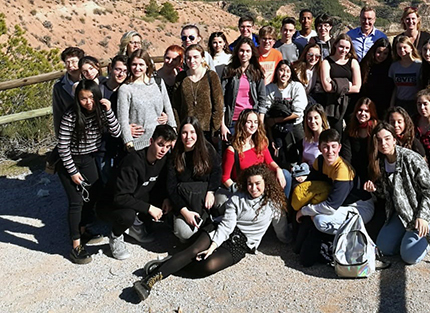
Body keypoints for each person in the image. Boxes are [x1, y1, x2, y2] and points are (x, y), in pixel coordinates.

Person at [132, 165, 290, 301]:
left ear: (266, 183)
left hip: (240, 244)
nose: (253, 188)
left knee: (208, 266)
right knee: (193, 251)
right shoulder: (236, 199)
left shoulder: (273, 205)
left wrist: (289, 241)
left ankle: (167, 264)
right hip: (219, 229)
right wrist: (212, 246)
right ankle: (147, 282)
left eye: (257, 184)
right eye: (249, 184)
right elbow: (226, 226)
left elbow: (281, 230)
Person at [57, 80, 121, 264]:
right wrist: (72, 171)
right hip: (70, 162)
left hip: (88, 159)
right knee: (76, 201)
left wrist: (108, 111)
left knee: (94, 194)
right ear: (77, 99)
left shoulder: (100, 112)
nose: (88, 102)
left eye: (91, 97)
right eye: (83, 98)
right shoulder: (71, 115)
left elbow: (116, 133)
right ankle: (76, 246)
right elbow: (62, 147)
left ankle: (83, 229)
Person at [294, 129, 374, 267]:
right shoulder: (319, 162)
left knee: (320, 220)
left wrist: (305, 211)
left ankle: (343, 239)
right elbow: (311, 185)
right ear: (319, 148)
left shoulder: (342, 170)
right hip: (340, 205)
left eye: (333, 146)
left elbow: (330, 207)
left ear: (339, 148)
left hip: (359, 206)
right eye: (325, 146)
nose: (329, 151)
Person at [364, 122, 430, 265]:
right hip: (401, 212)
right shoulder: (380, 163)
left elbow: (429, 192)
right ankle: (407, 238)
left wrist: (423, 217)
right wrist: (375, 190)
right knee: (384, 248)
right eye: (379, 140)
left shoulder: (411, 159)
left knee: (409, 258)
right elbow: (388, 194)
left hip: (423, 211)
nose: (383, 143)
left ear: (394, 139)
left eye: (387, 138)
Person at [104, 125, 177, 260]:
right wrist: (149, 208)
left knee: (168, 200)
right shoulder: (133, 161)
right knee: (127, 216)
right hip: (112, 203)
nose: (163, 150)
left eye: (167, 147)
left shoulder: (163, 160)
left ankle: (136, 226)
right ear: (151, 141)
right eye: (160, 145)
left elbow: (161, 183)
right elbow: (120, 197)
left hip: (137, 195)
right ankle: (115, 237)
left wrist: (166, 198)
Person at [166, 117, 222, 243]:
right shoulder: (175, 156)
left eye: (192, 132)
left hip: (205, 197)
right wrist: (185, 212)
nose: (188, 137)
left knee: (224, 201)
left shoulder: (208, 150)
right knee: (184, 233)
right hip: (185, 203)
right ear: (180, 135)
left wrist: (211, 191)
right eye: (184, 133)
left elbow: (217, 171)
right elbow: (171, 188)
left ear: (198, 133)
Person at [218, 109, 291, 200]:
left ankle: (283, 208)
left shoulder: (261, 142)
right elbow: (225, 178)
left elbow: (270, 162)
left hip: (261, 183)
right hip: (246, 187)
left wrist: (278, 169)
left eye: (255, 122)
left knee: (286, 174)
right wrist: (239, 192)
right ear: (242, 124)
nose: (253, 125)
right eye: (249, 122)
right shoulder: (232, 150)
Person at [117, 50, 176, 152]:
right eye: (134, 64)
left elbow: (168, 107)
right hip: (138, 145)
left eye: (141, 64)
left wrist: (173, 132)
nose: (137, 68)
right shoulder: (126, 88)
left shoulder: (158, 83)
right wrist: (128, 141)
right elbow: (123, 119)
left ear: (147, 65)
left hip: (161, 142)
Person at [172, 44, 224, 144]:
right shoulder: (181, 77)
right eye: (188, 58)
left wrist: (214, 129)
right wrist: (179, 128)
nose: (192, 61)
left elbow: (218, 104)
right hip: (186, 132)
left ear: (202, 58)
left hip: (206, 131)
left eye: (195, 57)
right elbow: (176, 105)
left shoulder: (211, 76)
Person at [260, 60, 308, 168]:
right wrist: (271, 138)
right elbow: (268, 118)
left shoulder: (297, 87)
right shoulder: (269, 88)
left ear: (291, 73)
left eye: (287, 71)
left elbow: (297, 113)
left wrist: (276, 120)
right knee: (279, 157)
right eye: (281, 70)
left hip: (295, 126)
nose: (284, 74)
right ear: (276, 72)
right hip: (276, 129)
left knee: (300, 152)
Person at [221, 37, 267, 140]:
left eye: (247, 51)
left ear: (252, 53)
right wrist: (222, 124)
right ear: (237, 52)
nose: (244, 54)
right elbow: (221, 99)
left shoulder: (257, 72)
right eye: (241, 50)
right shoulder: (229, 70)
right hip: (232, 120)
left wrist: (260, 123)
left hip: (251, 121)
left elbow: (262, 100)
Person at [318, 34, 362, 133]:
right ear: (335, 45)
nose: (344, 50)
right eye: (341, 46)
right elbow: (327, 87)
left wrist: (336, 84)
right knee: (336, 134)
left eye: (347, 48)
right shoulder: (327, 62)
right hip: (333, 105)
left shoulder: (353, 62)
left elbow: (357, 88)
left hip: (351, 104)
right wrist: (348, 84)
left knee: (351, 135)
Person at [97, 55, 129, 183]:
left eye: (125, 71)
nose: (121, 74)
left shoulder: (127, 90)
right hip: (103, 145)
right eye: (118, 69)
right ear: (110, 68)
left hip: (122, 144)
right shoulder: (99, 90)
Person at [341, 97, 379, 184]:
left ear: (371, 113)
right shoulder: (350, 128)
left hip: (372, 170)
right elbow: (347, 154)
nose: (362, 113)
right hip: (354, 170)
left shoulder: (376, 129)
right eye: (360, 110)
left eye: (366, 111)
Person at [53, 46, 85, 137]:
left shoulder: (90, 81)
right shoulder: (59, 86)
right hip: (71, 131)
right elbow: (58, 111)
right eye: (67, 62)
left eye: (74, 62)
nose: (70, 65)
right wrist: (59, 135)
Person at [359, 37, 394, 118]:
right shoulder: (365, 65)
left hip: (383, 106)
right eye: (379, 52)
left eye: (385, 53)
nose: (381, 56)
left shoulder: (390, 67)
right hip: (366, 105)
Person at [389, 36, 422, 116]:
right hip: (399, 102)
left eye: (405, 47)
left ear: (411, 48)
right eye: (399, 48)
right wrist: (391, 105)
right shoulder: (394, 67)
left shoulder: (419, 65)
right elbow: (394, 88)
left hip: (414, 103)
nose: (402, 50)